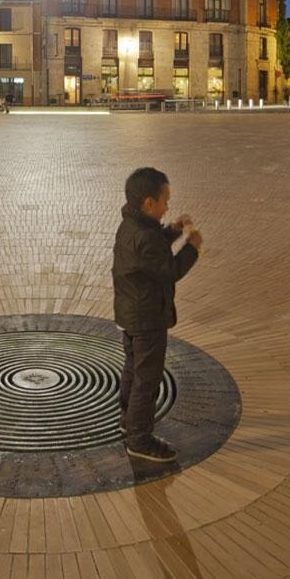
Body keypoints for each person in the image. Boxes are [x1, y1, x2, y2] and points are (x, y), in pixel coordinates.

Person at [112, 167, 202, 462]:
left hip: (131, 312)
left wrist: (174, 230)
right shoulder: (144, 236)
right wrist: (192, 248)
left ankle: (129, 420)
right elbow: (169, 270)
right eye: (165, 201)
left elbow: (153, 246)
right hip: (147, 317)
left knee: (133, 369)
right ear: (149, 203)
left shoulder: (133, 225)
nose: (168, 207)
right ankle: (139, 438)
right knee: (146, 378)